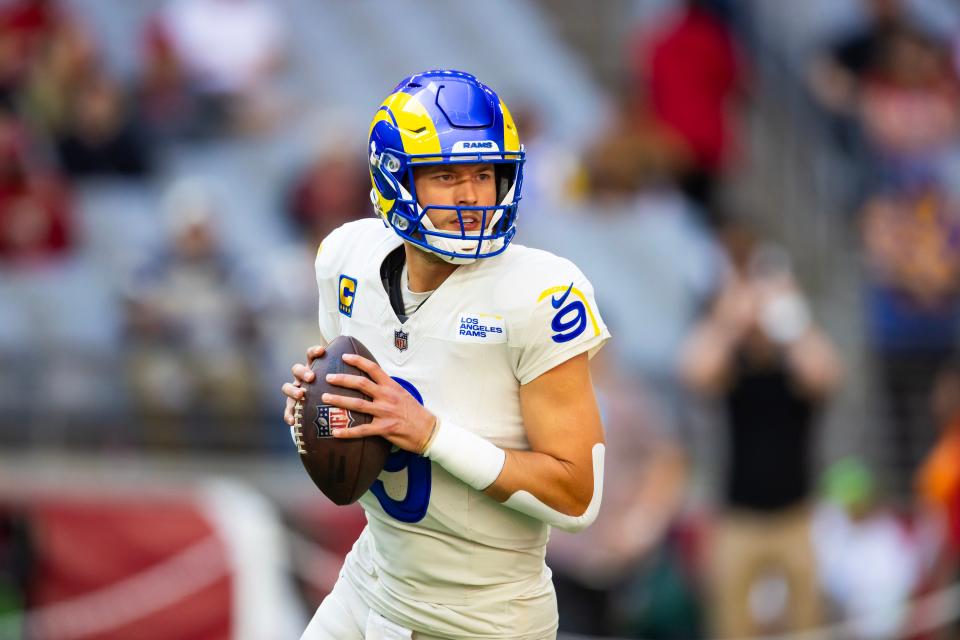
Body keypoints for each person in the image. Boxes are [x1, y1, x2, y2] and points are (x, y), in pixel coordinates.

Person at [281, 69, 610, 639]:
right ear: (395, 178)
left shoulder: (540, 292)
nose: (470, 195)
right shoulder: (346, 258)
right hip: (371, 578)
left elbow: (577, 497)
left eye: (485, 173)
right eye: (446, 175)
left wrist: (432, 435)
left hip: (477, 616)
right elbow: (356, 443)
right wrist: (317, 416)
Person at [680, 226, 841, 637]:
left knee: (808, 624)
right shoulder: (731, 362)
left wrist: (789, 314)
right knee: (729, 625)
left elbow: (825, 376)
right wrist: (731, 316)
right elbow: (693, 371)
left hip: (796, 516)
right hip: (738, 519)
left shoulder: (796, 361)